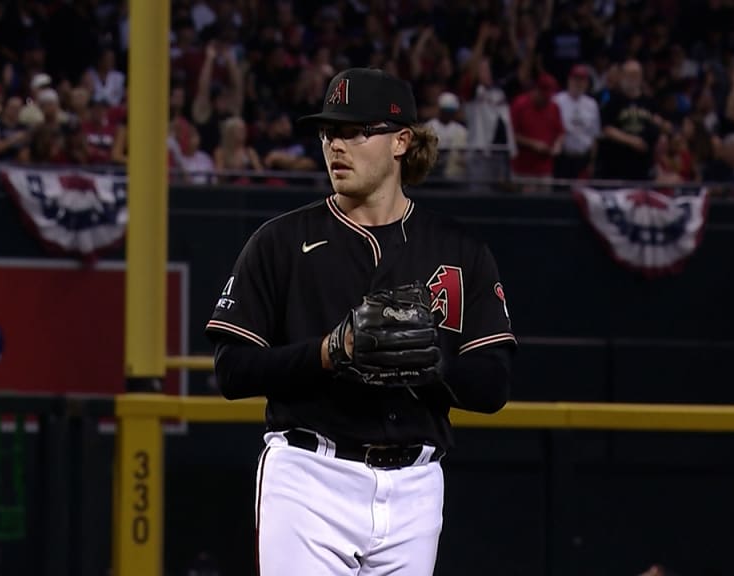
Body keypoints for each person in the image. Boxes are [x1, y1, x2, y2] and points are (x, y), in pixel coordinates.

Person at [205, 68, 517, 576]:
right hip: (309, 474)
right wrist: (328, 352)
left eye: (354, 131)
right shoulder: (280, 241)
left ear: (401, 141)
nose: (335, 145)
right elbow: (232, 370)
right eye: (329, 132)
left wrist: (434, 363)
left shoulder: (461, 250)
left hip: (416, 485)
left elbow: (494, 385)